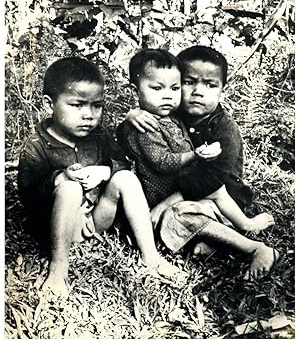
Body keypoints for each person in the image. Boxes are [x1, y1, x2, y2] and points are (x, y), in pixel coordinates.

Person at [17, 56, 183, 296]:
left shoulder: (99, 136)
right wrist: (59, 178)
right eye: (77, 105)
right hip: (57, 227)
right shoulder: (37, 145)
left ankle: (151, 257)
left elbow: (122, 162)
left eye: (97, 105)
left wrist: (105, 171)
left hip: (96, 220)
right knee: (70, 189)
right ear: (49, 104)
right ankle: (58, 270)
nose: (89, 115)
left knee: (124, 177)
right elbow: (29, 194)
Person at [119, 46, 278, 280]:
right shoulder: (172, 113)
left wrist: (166, 203)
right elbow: (130, 143)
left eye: (210, 85)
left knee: (176, 214)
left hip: (224, 199)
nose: (197, 92)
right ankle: (210, 240)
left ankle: (256, 248)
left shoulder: (224, 129)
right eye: (188, 82)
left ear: (223, 89)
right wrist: (131, 117)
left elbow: (213, 179)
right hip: (187, 195)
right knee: (154, 218)